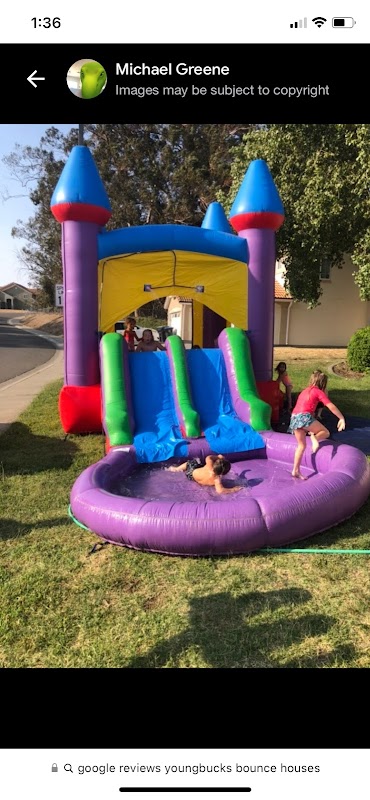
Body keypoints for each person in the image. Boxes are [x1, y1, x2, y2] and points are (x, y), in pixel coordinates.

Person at [288, 370, 345, 480]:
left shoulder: (305, 391)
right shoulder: (318, 392)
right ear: (323, 383)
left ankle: (295, 470)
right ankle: (314, 437)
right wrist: (341, 418)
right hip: (303, 417)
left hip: (294, 418)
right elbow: (330, 405)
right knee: (325, 432)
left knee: (301, 446)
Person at [167, 454, 242, 494]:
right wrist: (234, 489)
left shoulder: (209, 464)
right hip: (193, 479)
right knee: (196, 464)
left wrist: (218, 457)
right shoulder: (217, 479)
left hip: (191, 473)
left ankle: (176, 469)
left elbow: (208, 457)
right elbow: (220, 491)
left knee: (191, 463)